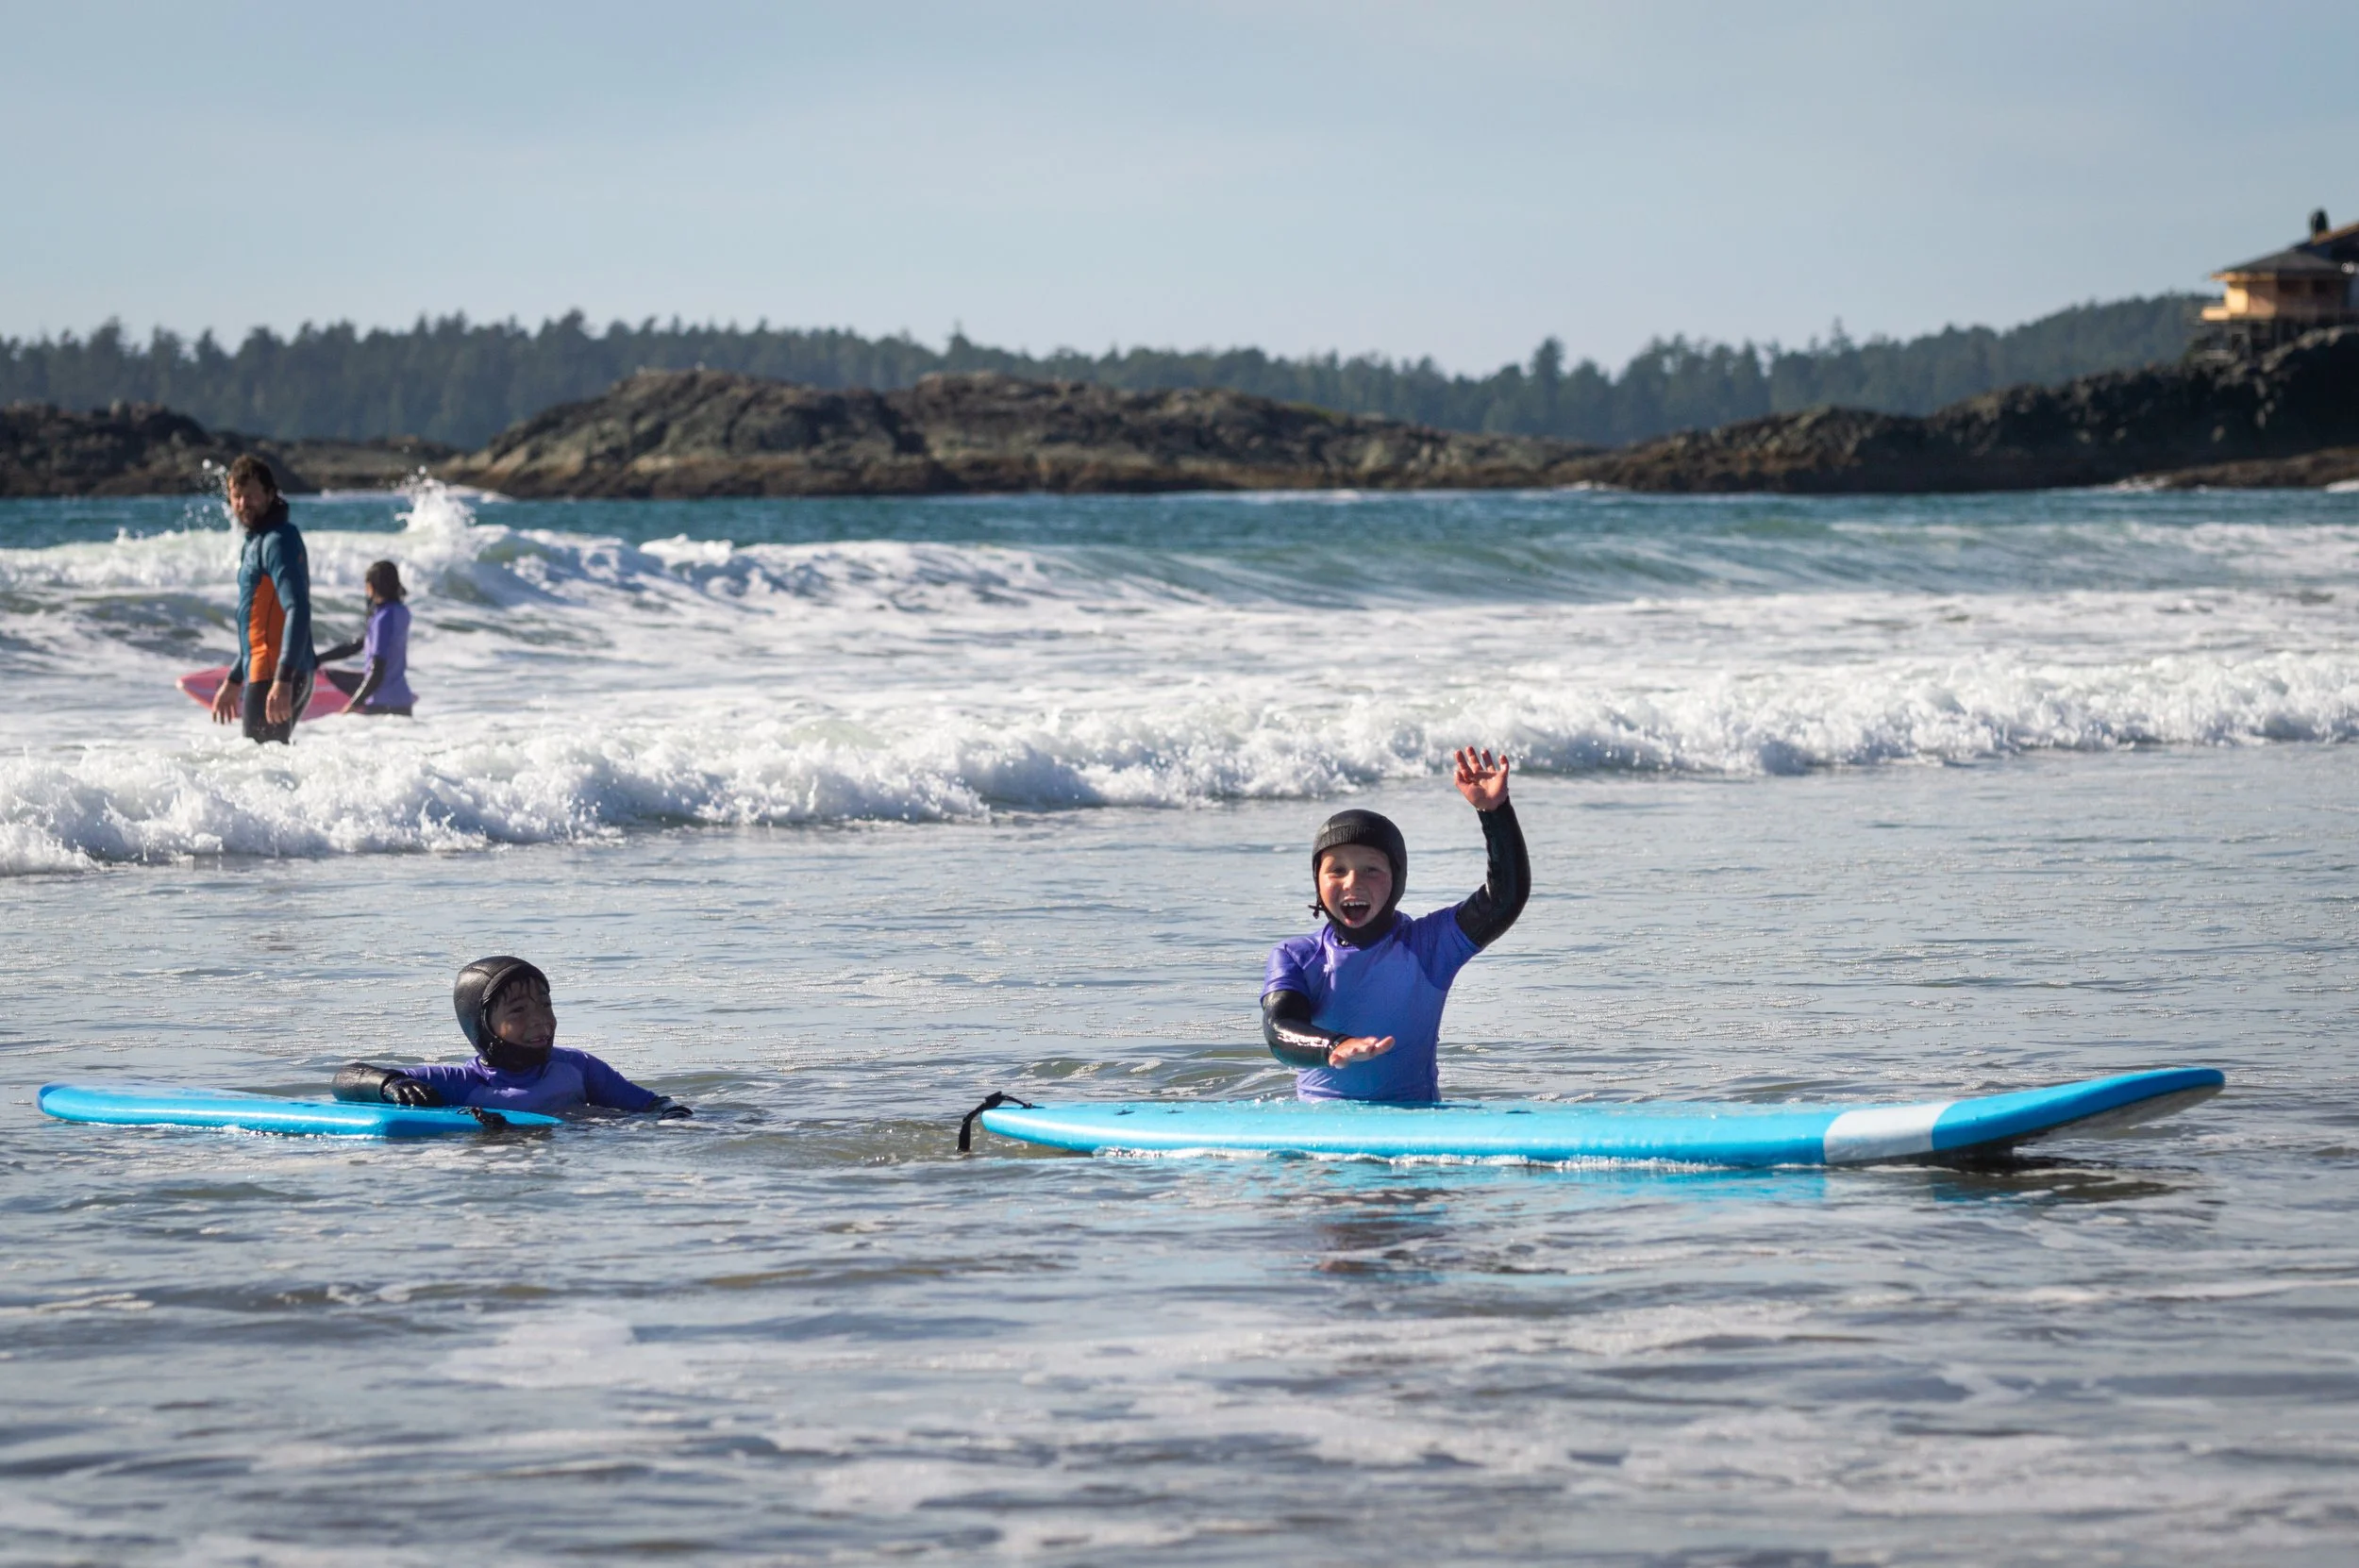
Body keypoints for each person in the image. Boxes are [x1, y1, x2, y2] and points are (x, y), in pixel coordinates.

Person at [1261, 748, 1530, 1103]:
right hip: (1321, 1125)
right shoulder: (1296, 956)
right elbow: (1278, 1032)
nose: (1353, 882)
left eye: (1371, 869)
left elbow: (1503, 899)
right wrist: (1333, 1046)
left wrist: (1495, 813)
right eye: (1337, 870)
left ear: (1397, 880)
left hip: (1414, 1121)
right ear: (1317, 882)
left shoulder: (1428, 947)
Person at [335, 957, 691, 1118]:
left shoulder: (577, 1067)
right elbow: (346, 1078)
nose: (540, 1020)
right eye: (519, 1010)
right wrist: (390, 1084)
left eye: (545, 1005)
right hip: (504, 1163)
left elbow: (650, 1104)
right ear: (481, 1025)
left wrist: (674, 1114)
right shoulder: (464, 1082)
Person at [210, 456, 317, 743]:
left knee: (261, 763)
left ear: (270, 494)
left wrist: (282, 679)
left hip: (274, 675)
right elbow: (259, 628)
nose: (242, 504)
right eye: (236, 496)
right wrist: (235, 678)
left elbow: (297, 608)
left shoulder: (276, 541)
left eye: (251, 496)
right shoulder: (258, 541)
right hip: (278, 671)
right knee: (270, 762)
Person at [316, 559, 415, 716]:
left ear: (371, 587)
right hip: (403, 703)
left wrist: (353, 705)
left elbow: (377, 671)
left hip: (382, 706)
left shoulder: (382, 618)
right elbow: (358, 645)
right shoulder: (401, 611)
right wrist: (317, 659)